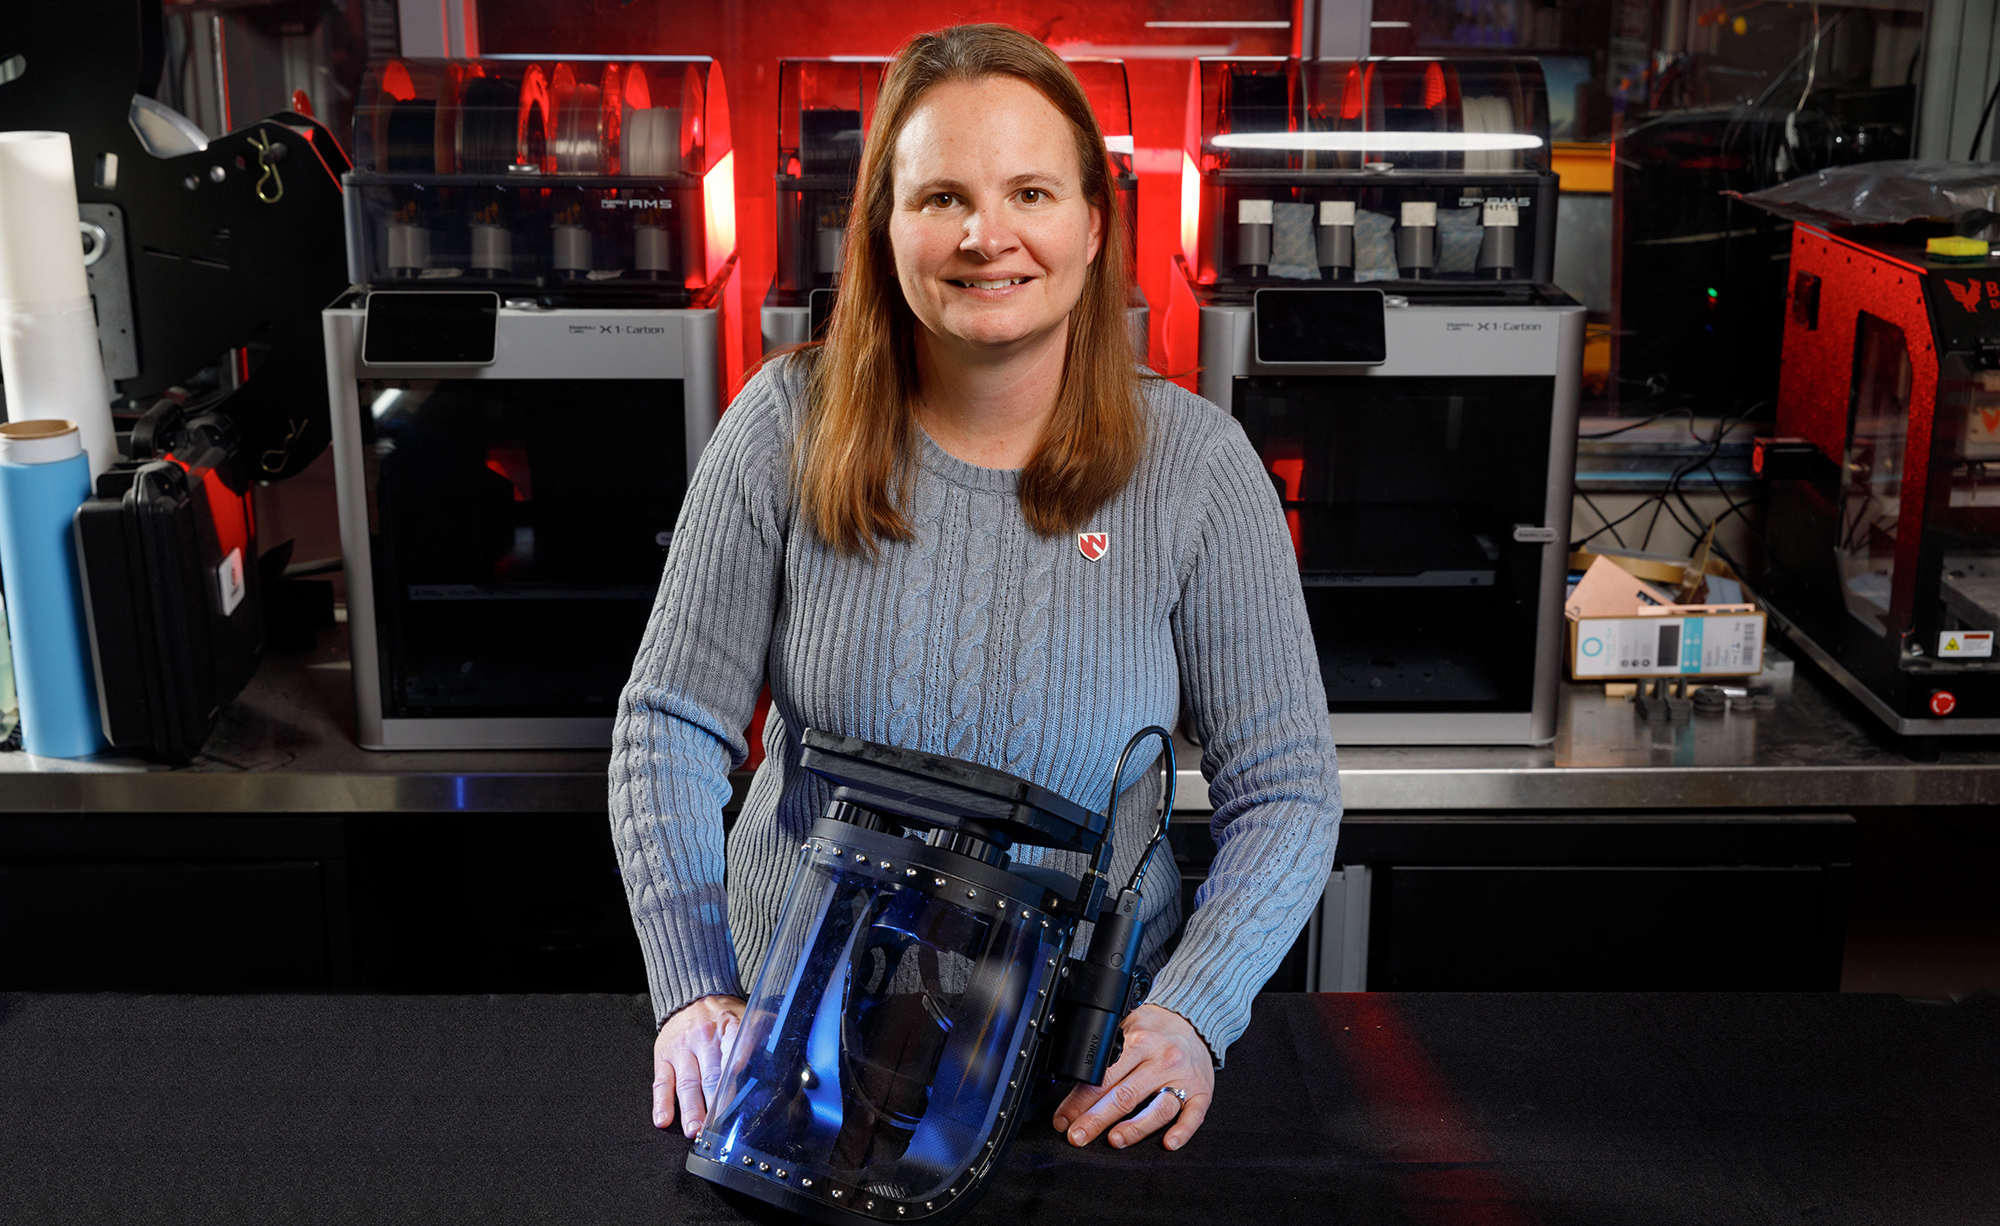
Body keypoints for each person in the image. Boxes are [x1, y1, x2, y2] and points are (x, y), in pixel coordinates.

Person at [608, 22, 1340, 1158]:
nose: (984, 235)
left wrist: (1192, 1008)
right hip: (793, 1049)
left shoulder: (1195, 468)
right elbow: (667, 726)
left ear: (1093, 223)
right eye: (939, 196)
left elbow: (1286, 789)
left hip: (1076, 1081)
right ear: (884, 229)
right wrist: (694, 983)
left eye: (1030, 192)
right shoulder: (778, 427)